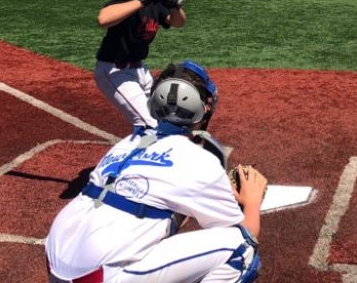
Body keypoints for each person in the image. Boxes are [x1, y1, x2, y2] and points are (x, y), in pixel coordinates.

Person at [46, 60, 267, 283]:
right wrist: (252, 202)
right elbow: (246, 232)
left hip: (57, 263)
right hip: (103, 275)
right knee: (241, 249)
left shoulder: (127, 143)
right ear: (201, 109)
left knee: (148, 212)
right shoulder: (199, 161)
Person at [95, 0, 186, 127]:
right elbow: (103, 19)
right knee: (150, 125)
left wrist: (175, 6)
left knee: (165, 118)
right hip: (115, 71)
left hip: (140, 70)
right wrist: (141, 2)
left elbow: (178, 22)